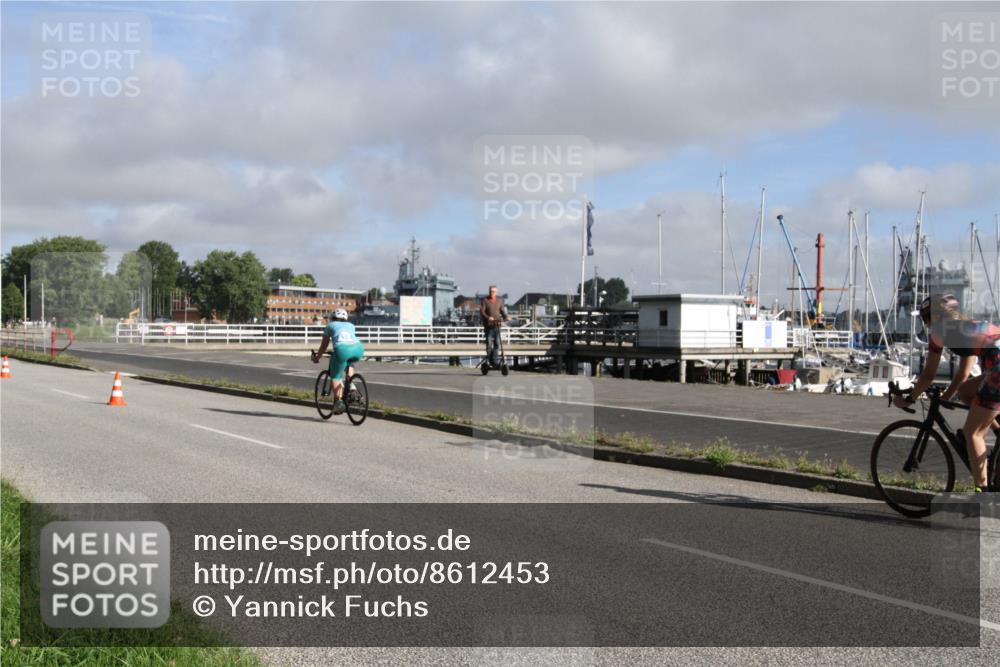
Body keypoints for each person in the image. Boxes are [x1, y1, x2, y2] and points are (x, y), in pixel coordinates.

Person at [895, 293, 1000, 491]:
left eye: (925, 318)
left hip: (997, 371)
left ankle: (982, 493)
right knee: (966, 391)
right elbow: (963, 375)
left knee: (973, 433)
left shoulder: (939, 332)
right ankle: (998, 430)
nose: (926, 324)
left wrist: (909, 399)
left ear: (934, 317)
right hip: (995, 369)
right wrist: (945, 398)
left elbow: (927, 376)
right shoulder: (967, 326)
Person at [311, 308, 365, 414]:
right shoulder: (351, 325)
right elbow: (349, 339)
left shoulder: (330, 326)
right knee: (349, 361)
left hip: (342, 350)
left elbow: (324, 346)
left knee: (335, 376)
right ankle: (352, 387)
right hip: (358, 348)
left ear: (332, 318)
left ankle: (338, 402)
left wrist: (317, 357)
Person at [479, 285, 509, 367]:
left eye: (493, 291)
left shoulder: (500, 300)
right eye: (490, 291)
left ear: (496, 292)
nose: (491, 293)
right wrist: (488, 317)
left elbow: (502, 311)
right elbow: (482, 312)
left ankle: (495, 361)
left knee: (497, 343)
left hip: (497, 325)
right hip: (488, 326)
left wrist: (506, 317)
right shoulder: (485, 300)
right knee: (488, 344)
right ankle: (490, 359)